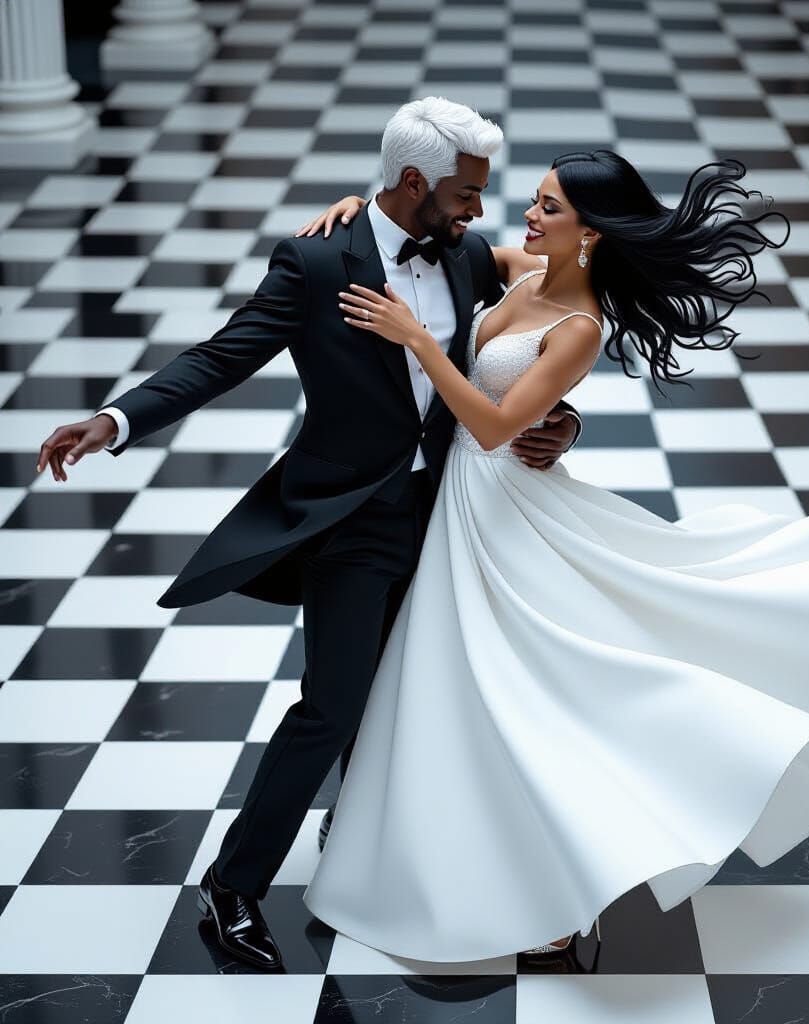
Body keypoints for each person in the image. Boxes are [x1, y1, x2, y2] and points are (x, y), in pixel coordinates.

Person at [294, 149, 809, 965]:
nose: (529, 214)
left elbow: (491, 425)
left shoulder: (579, 327)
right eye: (538, 201)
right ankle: (435, 846)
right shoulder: (520, 271)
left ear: (590, 232)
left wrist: (419, 342)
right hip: (463, 502)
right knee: (458, 686)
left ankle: (560, 887)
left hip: (502, 509)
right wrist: (362, 212)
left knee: (519, 689)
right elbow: (435, 250)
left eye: (549, 207)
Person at [34, 97, 587, 970]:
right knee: (332, 705)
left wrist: (562, 420)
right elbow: (222, 356)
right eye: (466, 192)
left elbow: (514, 357)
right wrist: (113, 423)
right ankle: (234, 888)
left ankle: (368, 835)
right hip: (352, 518)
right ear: (414, 182)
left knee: (420, 691)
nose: (480, 208)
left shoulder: (470, 257)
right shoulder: (316, 261)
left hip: (451, 512)